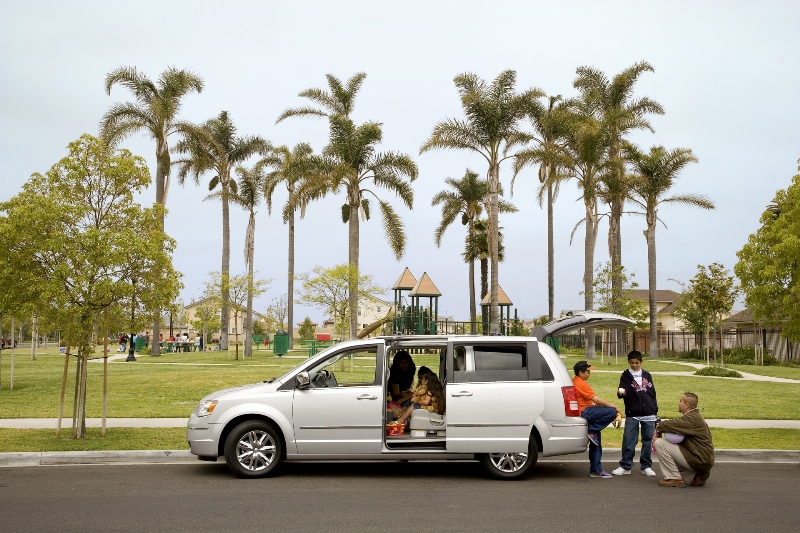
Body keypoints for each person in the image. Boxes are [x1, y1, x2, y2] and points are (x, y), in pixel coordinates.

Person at [654, 392, 715, 488]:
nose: (678, 403)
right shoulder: (696, 417)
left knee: (659, 443)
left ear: (687, 405)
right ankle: (697, 474)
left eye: (680, 401)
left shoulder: (692, 419)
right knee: (672, 445)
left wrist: (659, 426)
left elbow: (672, 424)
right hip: (704, 460)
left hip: (699, 459)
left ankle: (675, 478)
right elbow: (677, 425)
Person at [573, 360, 622, 479]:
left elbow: (588, 400)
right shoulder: (581, 383)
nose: (590, 373)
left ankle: (596, 470)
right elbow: (597, 399)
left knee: (596, 441)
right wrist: (614, 406)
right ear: (581, 372)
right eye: (588, 371)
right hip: (584, 412)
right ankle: (591, 429)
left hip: (586, 410)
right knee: (611, 411)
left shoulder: (575, 381)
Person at [612, 350, 658, 477]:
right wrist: (621, 393)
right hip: (633, 412)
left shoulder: (647, 375)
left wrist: (655, 410)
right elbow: (622, 390)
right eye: (632, 363)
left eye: (637, 363)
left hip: (649, 412)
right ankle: (625, 466)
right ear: (628, 362)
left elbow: (652, 393)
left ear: (641, 362)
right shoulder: (625, 375)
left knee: (648, 440)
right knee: (629, 440)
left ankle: (646, 466)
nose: (634, 365)